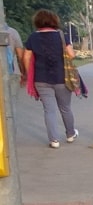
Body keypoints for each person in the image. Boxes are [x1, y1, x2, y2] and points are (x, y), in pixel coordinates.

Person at [24, 9, 77, 149]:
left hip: (41, 79)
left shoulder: (32, 37)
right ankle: (70, 134)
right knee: (65, 108)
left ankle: (54, 140)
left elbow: (26, 57)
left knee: (49, 110)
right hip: (62, 77)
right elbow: (71, 55)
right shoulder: (61, 36)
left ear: (37, 22)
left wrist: (27, 73)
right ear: (54, 21)